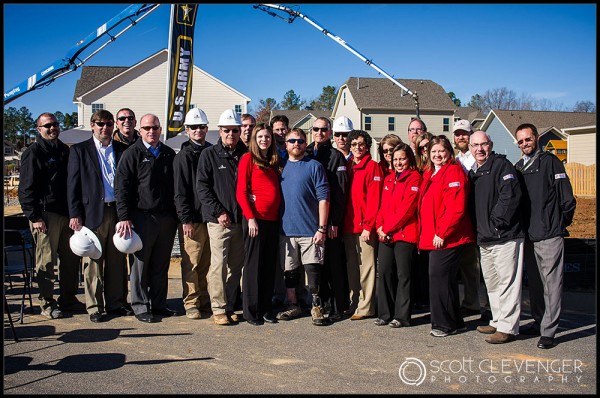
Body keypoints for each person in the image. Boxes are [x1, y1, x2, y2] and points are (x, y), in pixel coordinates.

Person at [514, 123, 576, 349]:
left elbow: (567, 199)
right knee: (537, 285)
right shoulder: (519, 166)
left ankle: (549, 331)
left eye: (528, 139)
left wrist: (559, 223)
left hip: (549, 234)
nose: (524, 144)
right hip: (529, 235)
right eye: (520, 141)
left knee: (552, 284)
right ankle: (540, 320)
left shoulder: (551, 162)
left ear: (537, 138)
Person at [67, 109, 132, 323]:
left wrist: (127, 214)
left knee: (116, 261)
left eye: (108, 123)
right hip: (92, 213)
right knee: (93, 260)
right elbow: (73, 185)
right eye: (100, 123)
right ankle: (94, 306)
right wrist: (75, 213)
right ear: (92, 125)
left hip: (118, 212)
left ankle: (115, 303)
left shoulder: (123, 150)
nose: (105, 128)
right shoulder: (80, 150)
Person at [18, 112, 84, 319]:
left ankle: (68, 298)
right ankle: (47, 303)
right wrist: (34, 216)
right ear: (38, 129)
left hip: (67, 215)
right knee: (46, 262)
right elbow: (25, 189)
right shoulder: (34, 152)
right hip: (44, 216)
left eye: (55, 124)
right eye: (47, 125)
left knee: (71, 259)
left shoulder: (64, 150)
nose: (52, 128)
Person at [115, 114, 179, 323]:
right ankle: (140, 306)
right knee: (140, 265)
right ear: (139, 131)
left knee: (161, 265)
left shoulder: (169, 154)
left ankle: (159, 304)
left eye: (155, 128)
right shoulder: (131, 154)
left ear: (161, 130)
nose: (151, 132)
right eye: (146, 128)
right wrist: (124, 216)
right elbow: (121, 188)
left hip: (167, 218)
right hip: (141, 218)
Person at [468, 131, 525, 344]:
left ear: (490, 145)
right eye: (475, 145)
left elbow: (510, 196)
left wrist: (496, 222)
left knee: (507, 282)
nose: (479, 149)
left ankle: (508, 327)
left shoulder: (502, 166)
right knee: (492, 282)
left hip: (505, 236)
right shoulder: (474, 172)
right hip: (485, 238)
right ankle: (498, 319)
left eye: (483, 145)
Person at [418, 135, 475, 337]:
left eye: (441, 151)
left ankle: (443, 324)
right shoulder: (431, 173)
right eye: (433, 151)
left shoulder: (454, 172)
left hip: (448, 237)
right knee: (446, 279)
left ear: (449, 152)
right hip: (434, 236)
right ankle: (455, 322)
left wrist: (442, 232)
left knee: (439, 277)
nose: (437, 155)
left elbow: (455, 208)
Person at [196, 109, 248, 325]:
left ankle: (229, 304)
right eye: (227, 130)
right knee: (218, 264)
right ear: (220, 130)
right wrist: (219, 211)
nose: (231, 134)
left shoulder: (246, 154)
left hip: (241, 220)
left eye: (235, 130)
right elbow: (202, 187)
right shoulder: (209, 154)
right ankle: (218, 308)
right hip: (219, 221)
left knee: (236, 266)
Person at [276, 128, 330, 326]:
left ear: (305, 144)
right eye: (292, 141)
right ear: (286, 144)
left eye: (300, 141)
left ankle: (316, 306)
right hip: (286, 231)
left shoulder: (314, 166)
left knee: (313, 269)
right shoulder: (280, 167)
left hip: (310, 230)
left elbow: (324, 199)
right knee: (290, 271)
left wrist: (321, 228)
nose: (296, 144)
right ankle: (293, 304)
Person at [236, 124, 282, 325]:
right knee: (254, 267)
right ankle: (251, 311)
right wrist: (250, 218)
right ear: (255, 138)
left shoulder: (272, 161)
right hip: (255, 220)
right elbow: (241, 192)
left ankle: (265, 308)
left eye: (268, 136)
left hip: (272, 221)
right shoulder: (248, 159)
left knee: (268, 266)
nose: (264, 139)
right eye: (261, 136)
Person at [306, 117, 349, 322]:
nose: (320, 132)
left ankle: (337, 307)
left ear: (330, 132)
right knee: (317, 265)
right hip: (309, 220)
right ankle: (320, 304)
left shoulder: (336, 157)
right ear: (311, 131)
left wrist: (334, 221)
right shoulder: (305, 152)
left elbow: (340, 193)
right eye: (316, 129)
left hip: (329, 221)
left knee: (333, 265)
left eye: (324, 129)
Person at [374, 143, 422, 328]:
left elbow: (407, 209)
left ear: (409, 159)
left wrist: (388, 228)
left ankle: (402, 316)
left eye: (402, 158)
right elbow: (382, 207)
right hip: (385, 234)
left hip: (404, 234)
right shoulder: (388, 179)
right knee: (384, 272)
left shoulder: (414, 178)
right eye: (395, 159)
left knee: (404, 275)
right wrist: (379, 226)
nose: (398, 162)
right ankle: (385, 313)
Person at [174, 108, 213, 320]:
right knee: (192, 262)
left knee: (207, 263)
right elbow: (180, 192)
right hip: (193, 220)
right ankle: (191, 302)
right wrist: (185, 219)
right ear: (187, 130)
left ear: (207, 128)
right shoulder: (183, 157)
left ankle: (205, 299)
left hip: (210, 217)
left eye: (202, 127)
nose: (198, 130)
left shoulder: (211, 151)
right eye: (194, 127)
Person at [343, 129, 383, 320]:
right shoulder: (348, 165)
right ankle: (355, 301)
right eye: (353, 144)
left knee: (367, 268)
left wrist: (369, 225)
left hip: (365, 227)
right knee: (352, 266)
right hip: (348, 225)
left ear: (367, 146)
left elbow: (375, 199)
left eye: (361, 144)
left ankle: (367, 306)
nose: (357, 148)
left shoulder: (373, 167)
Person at [452, 119, 485, 319]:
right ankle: (470, 303)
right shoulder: (455, 161)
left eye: (464, 133)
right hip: (459, 221)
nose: (461, 137)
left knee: (478, 267)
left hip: (477, 219)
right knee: (466, 265)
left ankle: (484, 306)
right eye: (457, 134)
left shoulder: (479, 159)